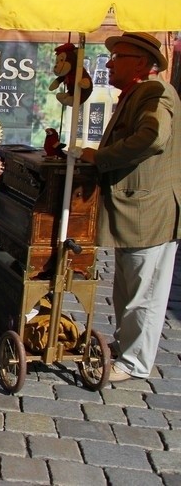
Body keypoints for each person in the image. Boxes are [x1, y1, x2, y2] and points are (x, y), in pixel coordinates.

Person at [79, 32, 181, 382]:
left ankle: (135, 362)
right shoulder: (138, 92)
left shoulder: (154, 91)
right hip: (136, 210)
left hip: (149, 211)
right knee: (127, 289)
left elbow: (153, 136)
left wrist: (102, 157)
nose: (109, 63)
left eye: (117, 56)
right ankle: (126, 348)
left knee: (144, 293)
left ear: (140, 61)